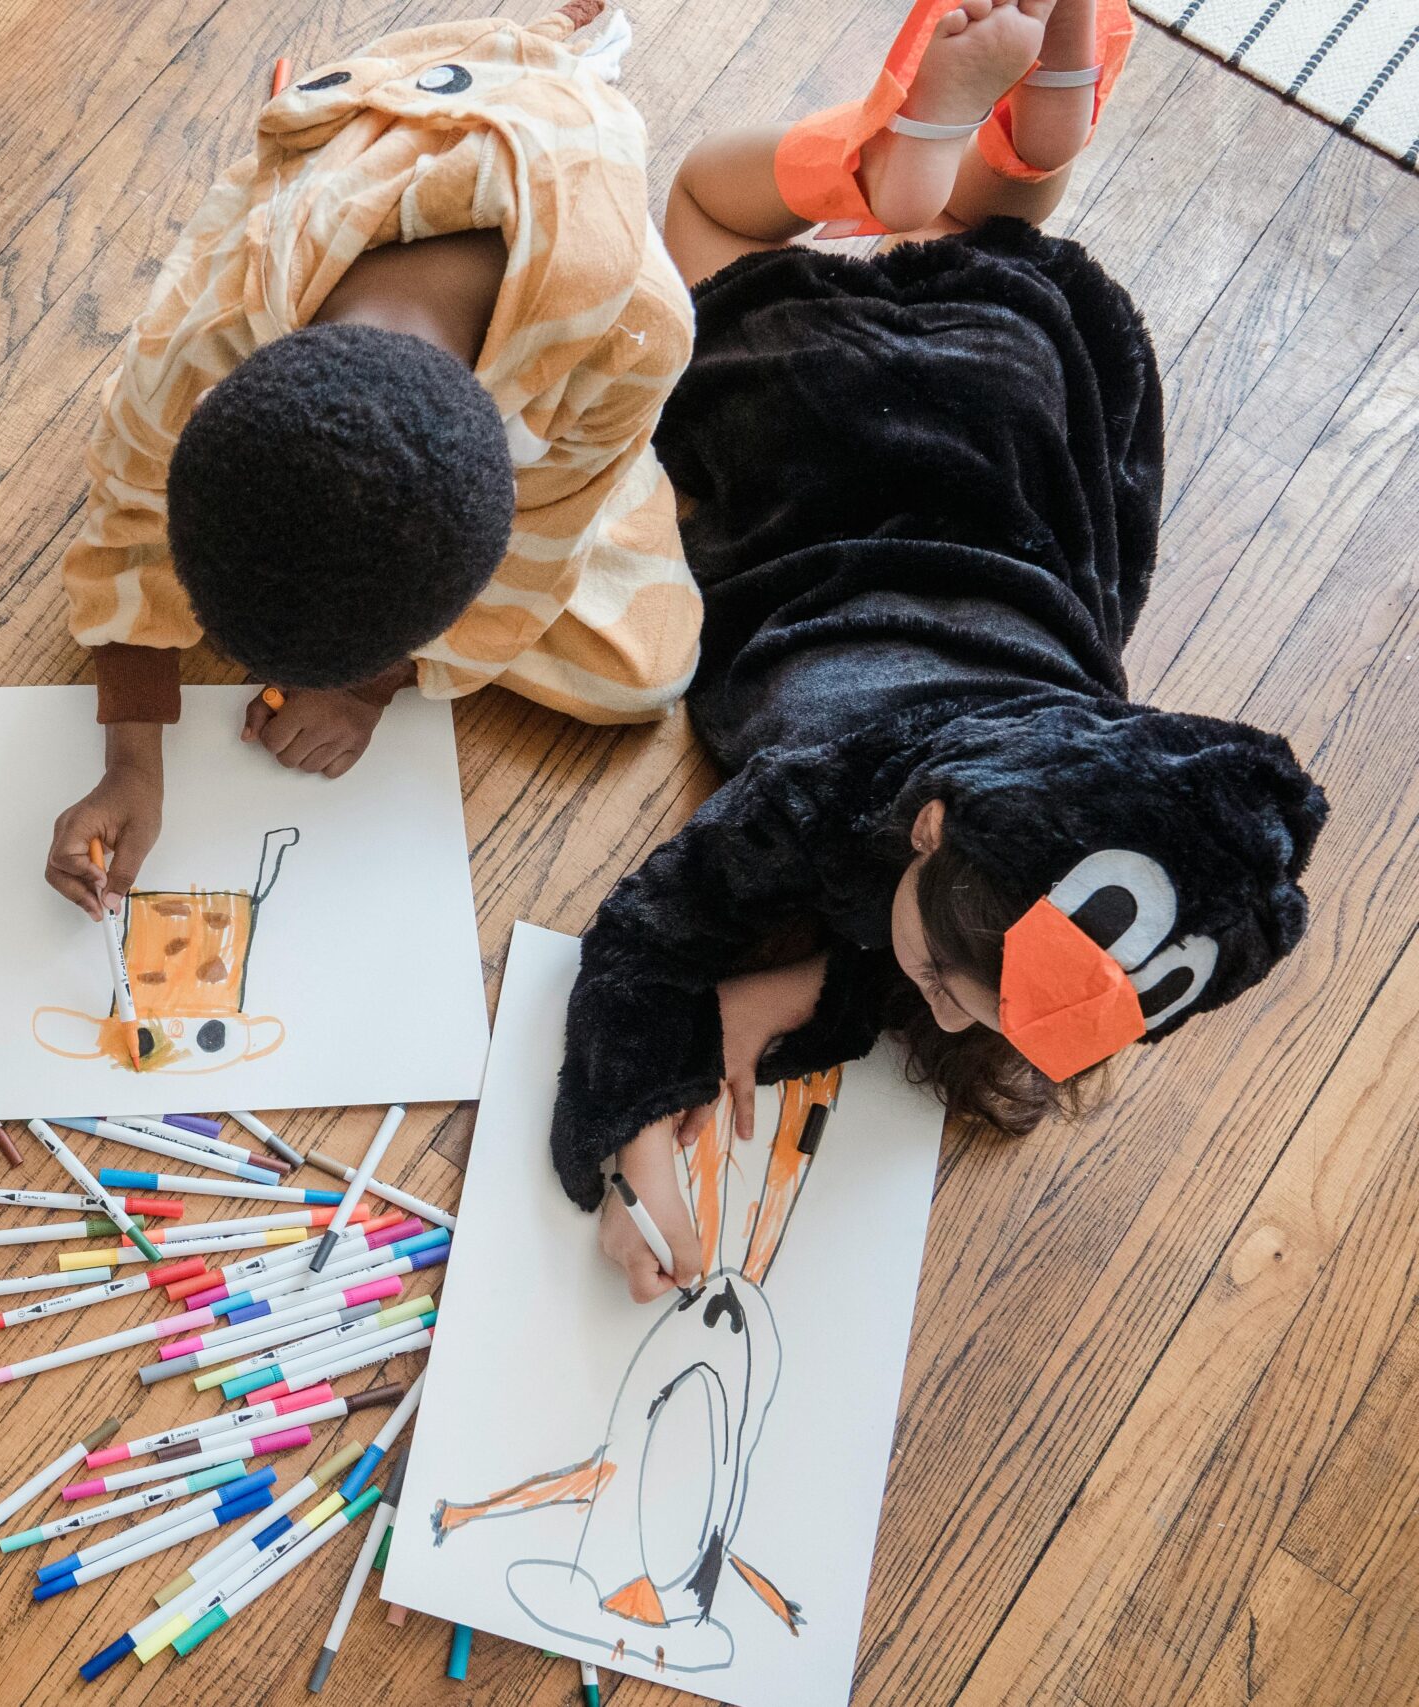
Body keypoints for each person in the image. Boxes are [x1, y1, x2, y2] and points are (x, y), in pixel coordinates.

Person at [550, 0, 1326, 1299]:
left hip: (1016, 391)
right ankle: (891, 144)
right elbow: (649, 937)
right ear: (922, 826)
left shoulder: (1085, 778)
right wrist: (629, 1141)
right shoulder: (823, 781)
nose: (951, 1014)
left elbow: (925, 954)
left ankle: (1023, 113)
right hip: (821, 407)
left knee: (995, 247)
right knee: (701, 218)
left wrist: (787, 1000)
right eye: (938, 983)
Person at [44, 4, 702, 918]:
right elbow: (126, 507)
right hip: (390, 162)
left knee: (647, 677)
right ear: (213, 407)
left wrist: (369, 688)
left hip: (565, 249)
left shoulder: (640, 333)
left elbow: (546, 539)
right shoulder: (215, 308)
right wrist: (131, 763)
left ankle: (567, 52)